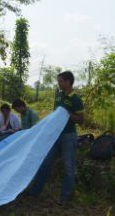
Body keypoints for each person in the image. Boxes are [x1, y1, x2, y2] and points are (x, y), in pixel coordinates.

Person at [30, 70, 84, 204]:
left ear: (67, 82)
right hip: (55, 136)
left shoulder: (75, 98)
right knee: (45, 163)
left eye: (60, 81)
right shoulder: (59, 96)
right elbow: (55, 116)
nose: (58, 83)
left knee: (68, 168)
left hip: (68, 137)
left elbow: (81, 120)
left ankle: (65, 197)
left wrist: (68, 114)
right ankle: (35, 191)